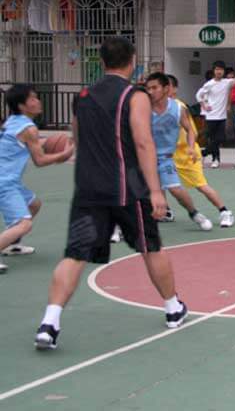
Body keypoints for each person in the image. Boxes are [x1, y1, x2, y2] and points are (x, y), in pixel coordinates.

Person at [35, 38, 188, 351]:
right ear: (131, 61)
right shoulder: (134, 96)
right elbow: (144, 142)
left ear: (102, 61)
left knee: (75, 254)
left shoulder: (83, 96)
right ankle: (173, 308)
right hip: (127, 188)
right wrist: (156, 191)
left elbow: (75, 139)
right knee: (151, 247)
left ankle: (50, 322)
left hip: (88, 188)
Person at [0, 85, 74, 273]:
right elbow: (39, 160)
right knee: (24, 224)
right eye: (33, 98)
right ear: (22, 105)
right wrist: (64, 155)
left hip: (9, 179)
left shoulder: (13, 121)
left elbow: (26, 143)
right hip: (4, 181)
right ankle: (10, 238)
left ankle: (11, 243)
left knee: (34, 205)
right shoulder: (28, 128)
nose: (38, 101)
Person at [146, 73, 214, 231]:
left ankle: (194, 213)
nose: (151, 91)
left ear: (166, 88)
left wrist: (191, 147)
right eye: (148, 88)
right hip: (143, 157)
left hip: (165, 158)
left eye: (154, 87)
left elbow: (190, 130)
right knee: (130, 191)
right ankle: (118, 227)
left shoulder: (178, 109)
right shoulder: (144, 106)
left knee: (176, 189)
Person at [167, 75, 234, 227]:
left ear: (174, 89)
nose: (164, 90)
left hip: (186, 154)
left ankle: (224, 212)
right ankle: (166, 211)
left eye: (168, 86)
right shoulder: (156, 107)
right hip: (168, 156)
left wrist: (191, 148)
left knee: (201, 186)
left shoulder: (179, 107)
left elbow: (193, 132)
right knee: (159, 183)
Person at [196, 61, 235, 168]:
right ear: (214, 71)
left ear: (224, 71)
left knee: (220, 139)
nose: (219, 72)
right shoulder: (209, 84)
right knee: (212, 139)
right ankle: (215, 159)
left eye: (221, 70)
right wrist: (203, 105)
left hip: (222, 116)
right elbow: (198, 95)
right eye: (217, 69)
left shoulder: (227, 82)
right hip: (211, 116)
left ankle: (203, 153)